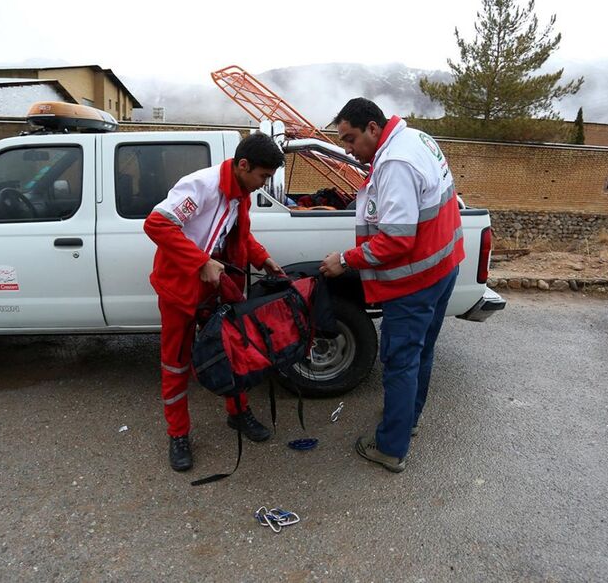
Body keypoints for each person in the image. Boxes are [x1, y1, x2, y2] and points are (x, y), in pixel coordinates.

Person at [320, 98, 464, 473]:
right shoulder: (414, 137)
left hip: (413, 281)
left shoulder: (396, 162)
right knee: (421, 351)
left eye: (350, 139)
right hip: (443, 267)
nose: (348, 150)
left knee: (400, 362)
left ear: (372, 128)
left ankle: (390, 447)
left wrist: (345, 260)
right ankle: (409, 417)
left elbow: (397, 238)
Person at [143, 133, 286, 472]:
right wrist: (200, 262)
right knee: (175, 364)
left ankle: (238, 414)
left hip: (217, 288)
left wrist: (264, 260)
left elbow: (240, 235)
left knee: (233, 354)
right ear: (243, 165)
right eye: (263, 177)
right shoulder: (201, 186)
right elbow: (157, 224)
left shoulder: (242, 194)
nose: (263, 184)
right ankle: (178, 434)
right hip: (180, 291)